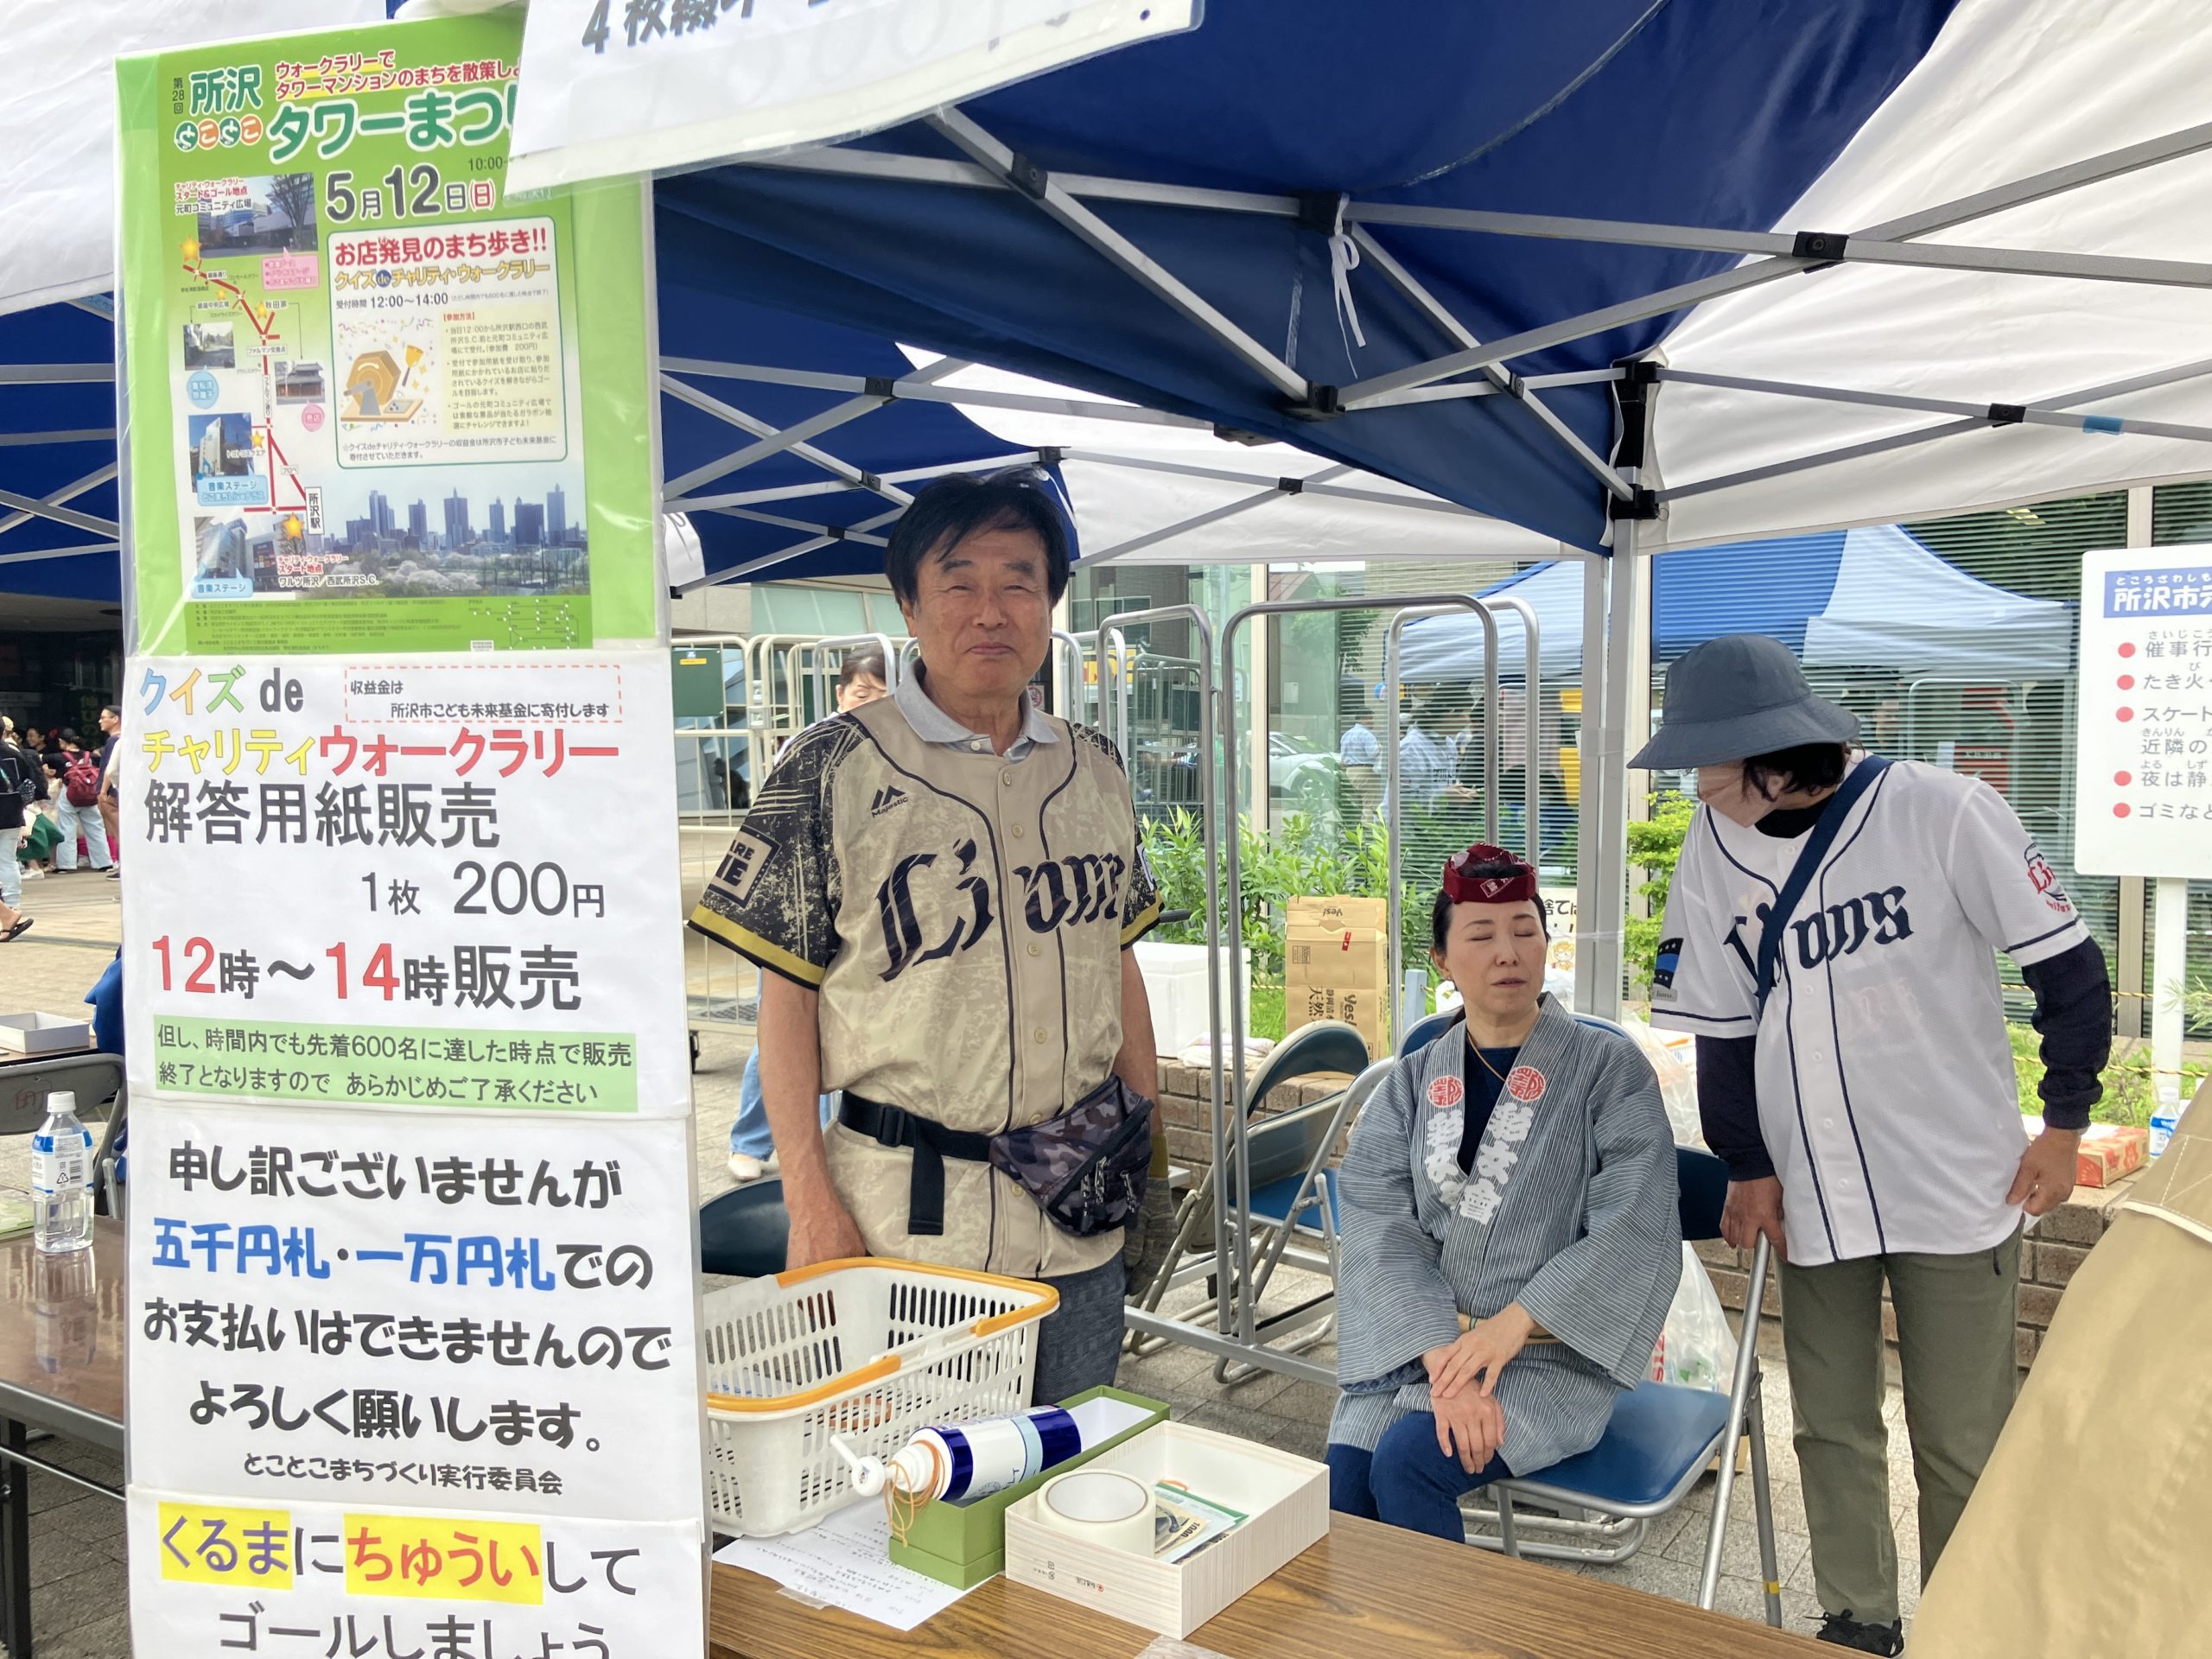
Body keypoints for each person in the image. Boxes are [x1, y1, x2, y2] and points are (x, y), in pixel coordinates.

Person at [1638, 634, 2111, 1656]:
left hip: (1957, 1178)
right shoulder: (1712, 842)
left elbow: (2070, 974)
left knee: (1962, 1437)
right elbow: (1720, 1027)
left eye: (1709, 760)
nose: (1696, 782)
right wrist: (1747, 1166)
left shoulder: (1944, 811)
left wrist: (2065, 1125)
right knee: (1830, 1421)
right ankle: (1858, 1617)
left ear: (1773, 754)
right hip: (1811, 1186)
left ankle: (1969, 1623)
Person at [691, 469, 1171, 1402]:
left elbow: (1119, 964)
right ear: (909, 605)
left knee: (1066, 1465)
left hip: (1076, 1214)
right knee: (909, 1477)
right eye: (959, 582)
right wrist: (810, 1205)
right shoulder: (830, 765)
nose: (990, 610)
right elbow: (785, 1002)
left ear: (1050, 604)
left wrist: (1147, 1160)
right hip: (903, 1235)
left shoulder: (1097, 770)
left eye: (1018, 581)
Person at [1327, 843, 1680, 1540]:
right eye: (1481, 936)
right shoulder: (1412, 1080)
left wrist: (1510, 1327)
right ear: (1442, 960)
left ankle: (1451, 1614)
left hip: (1549, 1352)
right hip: (1424, 1345)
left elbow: (1635, 1224)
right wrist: (1444, 1360)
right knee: (1342, 1487)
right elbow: (1376, 1224)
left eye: (1525, 931)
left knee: (1408, 1464)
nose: (1508, 954)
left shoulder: (1610, 1070)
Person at [726, 645, 892, 1184]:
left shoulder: (902, 752)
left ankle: (824, 1144)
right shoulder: (810, 747)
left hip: (860, 919)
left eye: (883, 695)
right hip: (794, 914)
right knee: (782, 1031)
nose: (871, 704)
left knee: (839, 1034)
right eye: (862, 693)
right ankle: (750, 1142)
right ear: (841, 694)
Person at [52, 730, 112, 874]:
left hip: (70, 794)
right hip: (90, 795)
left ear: (62, 741)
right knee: (96, 828)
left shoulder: (58, 757)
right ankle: (104, 863)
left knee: (67, 828)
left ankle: (66, 865)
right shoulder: (91, 756)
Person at [0, 720, 36, 941]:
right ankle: (12, 904)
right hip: (12, 813)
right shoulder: (15, 753)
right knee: (8, 861)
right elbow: (31, 782)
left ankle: (7, 913)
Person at [1338, 677, 1382, 819]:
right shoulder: (1367, 735)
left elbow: (1343, 757)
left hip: (1349, 772)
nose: (1373, 721)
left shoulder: (1346, 734)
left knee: (1353, 806)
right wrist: (1380, 747)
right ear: (1364, 718)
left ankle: (1353, 830)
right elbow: (1373, 753)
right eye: (1371, 718)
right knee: (1369, 806)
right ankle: (1368, 831)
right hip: (1366, 772)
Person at [96, 705, 121, 879]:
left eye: (104, 717)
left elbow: (110, 769)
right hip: (117, 790)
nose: (100, 721)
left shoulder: (114, 741)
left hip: (111, 791)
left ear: (115, 719)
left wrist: (103, 790)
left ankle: (124, 867)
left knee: (117, 832)